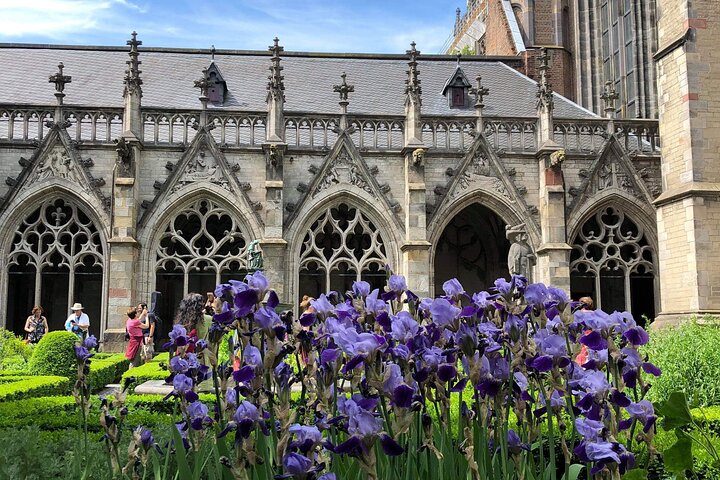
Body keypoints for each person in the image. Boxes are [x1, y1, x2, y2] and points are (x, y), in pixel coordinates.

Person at [575, 296, 594, 366]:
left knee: (580, 352)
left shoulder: (579, 313)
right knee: (589, 352)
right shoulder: (593, 313)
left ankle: (581, 365)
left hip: (582, 334)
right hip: (591, 334)